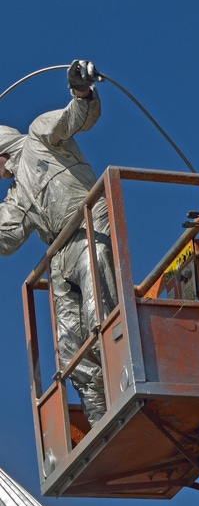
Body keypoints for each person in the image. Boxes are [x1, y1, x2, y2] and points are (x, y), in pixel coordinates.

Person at [0, 60, 117, 426]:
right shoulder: (17, 194)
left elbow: (73, 118)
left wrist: (81, 90)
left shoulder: (38, 136)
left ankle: (127, 389)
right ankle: (103, 423)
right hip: (60, 254)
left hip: (88, 228)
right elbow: (6, 237)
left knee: (99, 318)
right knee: (70, 350)